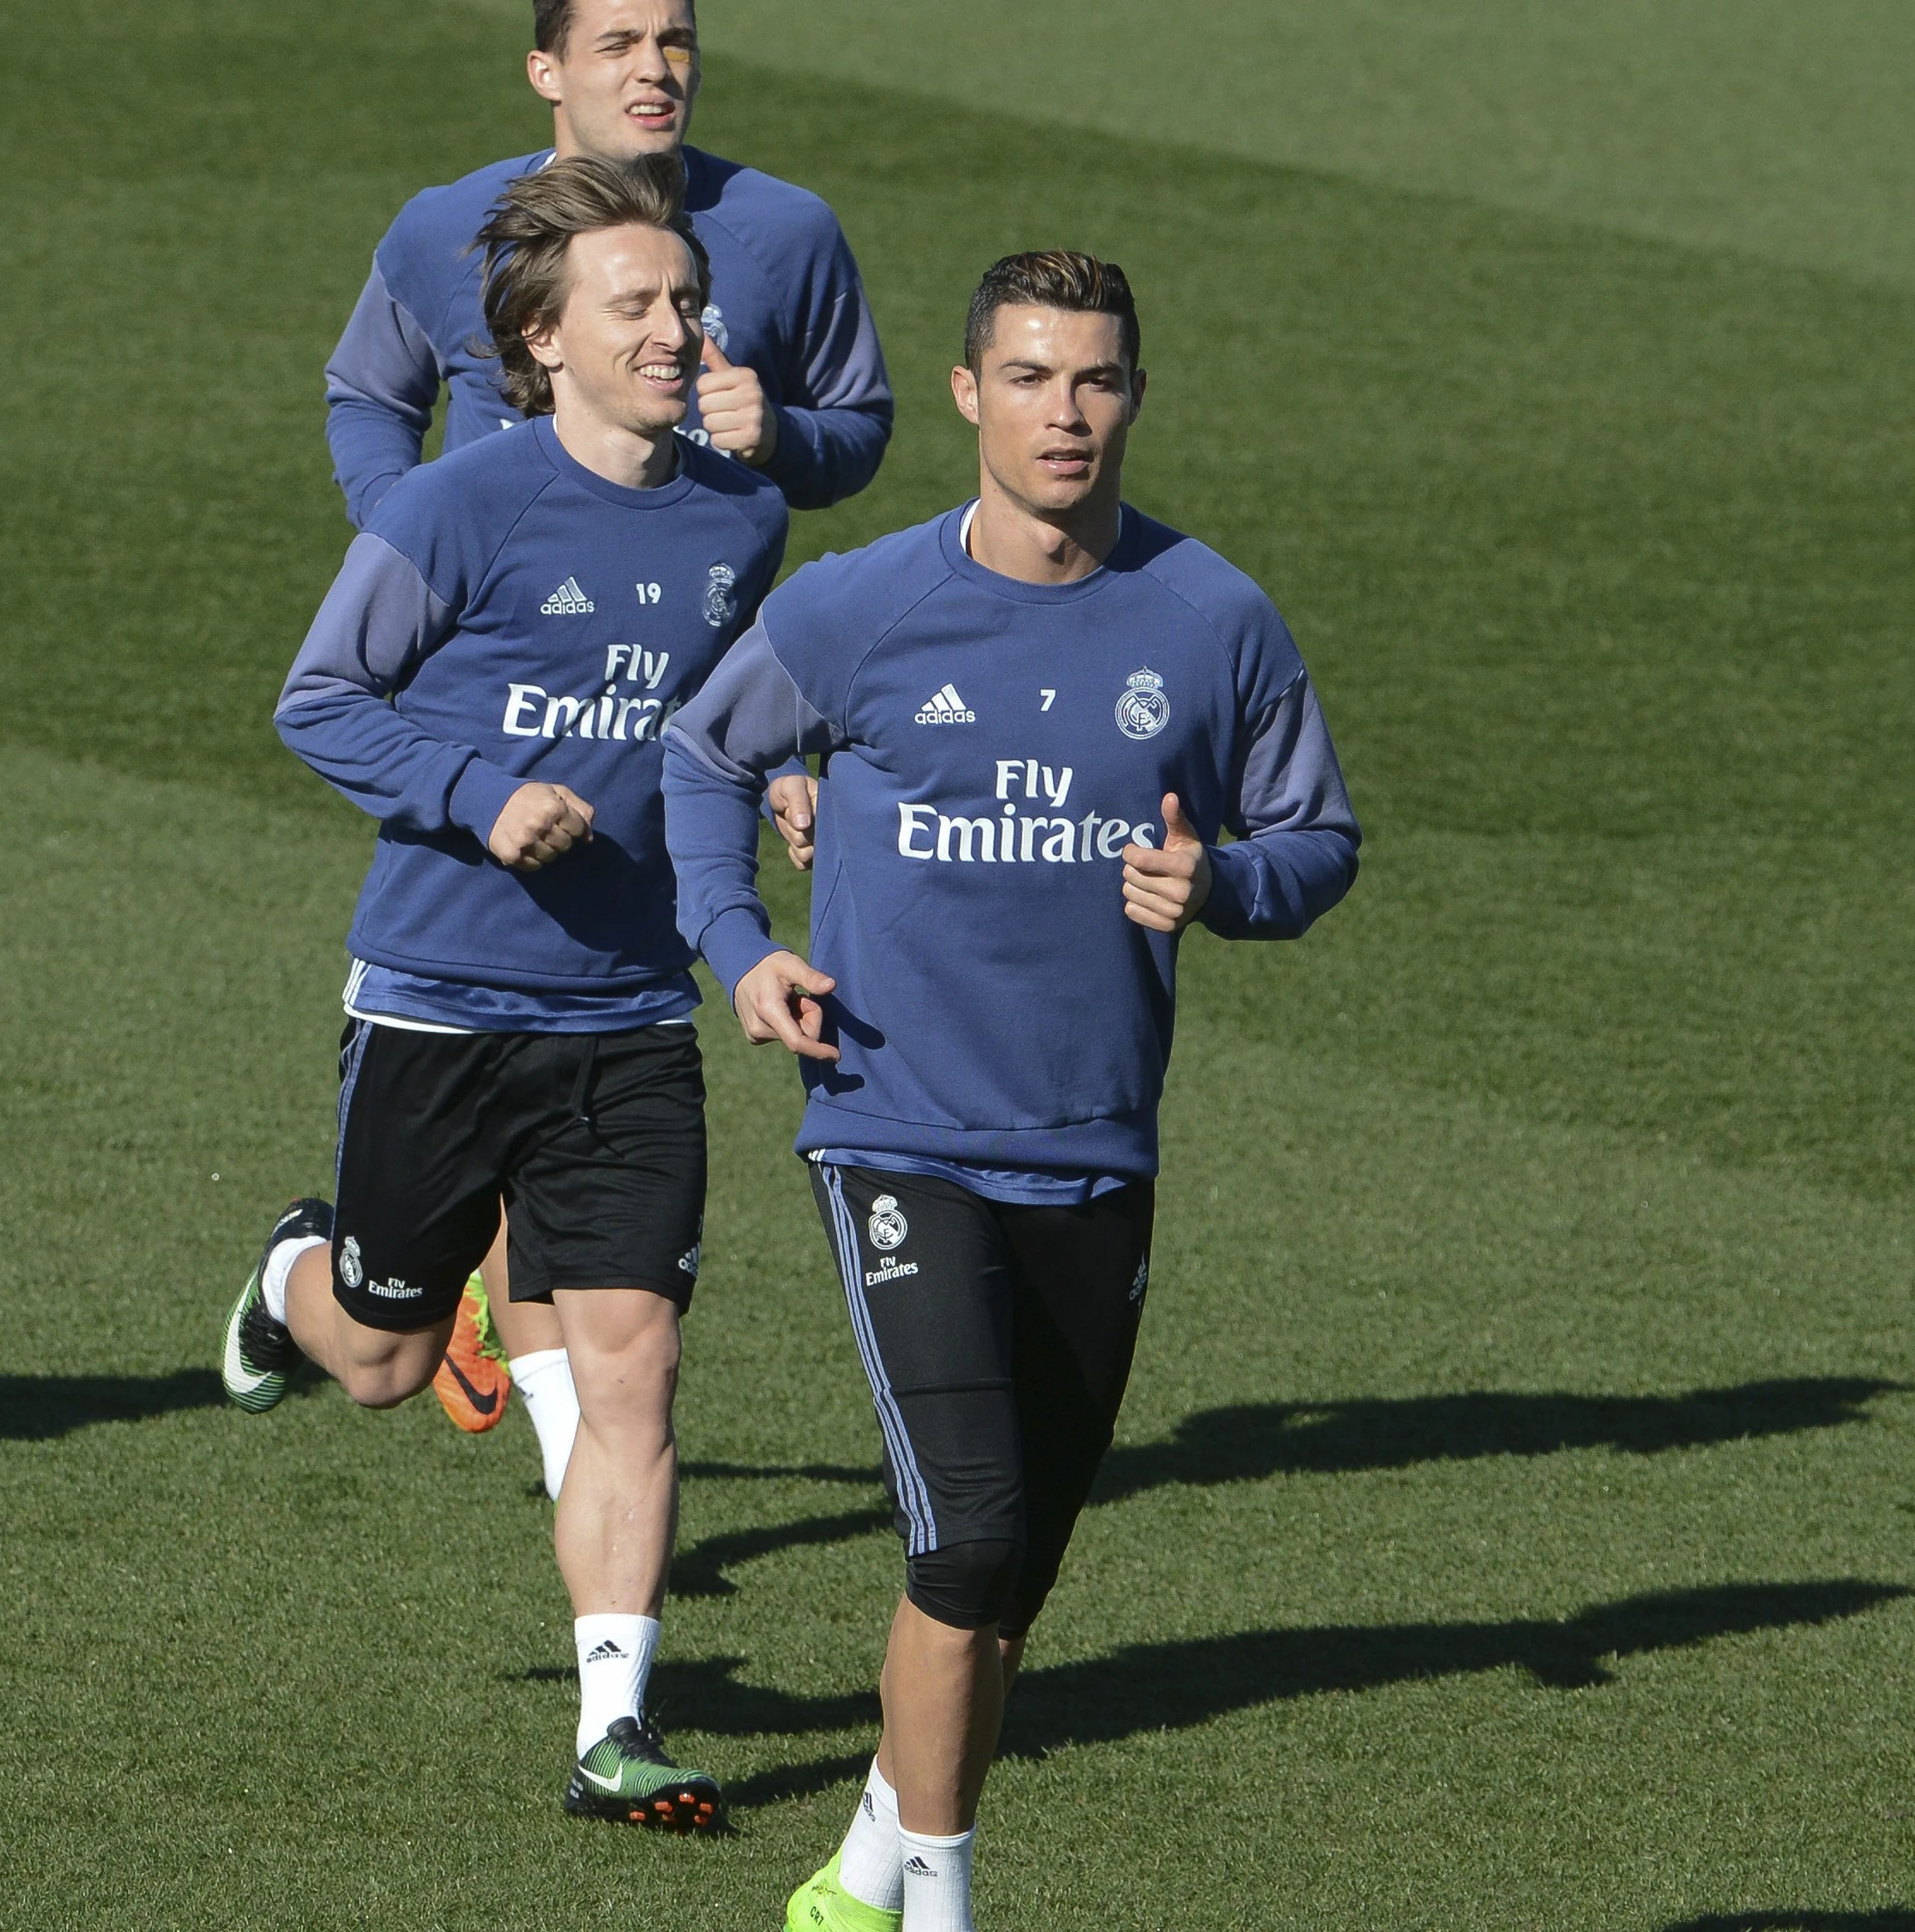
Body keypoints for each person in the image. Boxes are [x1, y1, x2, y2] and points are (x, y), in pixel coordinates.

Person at [659, 252, 1358, 1928]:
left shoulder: (1213, 618)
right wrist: (741, 948)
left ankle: (867, 1858)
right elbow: (703, 752)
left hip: (1098, 1144)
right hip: (895, 1124)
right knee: (968, 1540)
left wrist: (1227, 890)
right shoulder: (859, 605)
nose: (1068, 411)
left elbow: (1317, 837)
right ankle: (944, 1902)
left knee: (1009, 1576)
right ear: (971, 394)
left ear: (1134, 395)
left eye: (1098, 379)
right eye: (1033, 377)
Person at [223, 152, 791, 1828]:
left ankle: (613, 1724)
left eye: (686, 298)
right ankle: (288, 1280)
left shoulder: (742, 516)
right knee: (389, 1354)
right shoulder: (452, 508)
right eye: (640, 305)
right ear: (544, 340)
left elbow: (723, 718)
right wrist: (478, 793)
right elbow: (319, 702)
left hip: (631, 1014)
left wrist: (784, 776)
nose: (679, 329)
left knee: (634, 1365)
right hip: (443, 1003)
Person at [322, 0, 889, 1464]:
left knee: (587, 1052)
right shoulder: (443, 226)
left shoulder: (787, 230)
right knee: (518, 1006)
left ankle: (591, 1488)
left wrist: (786, 437)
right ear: (546, 71)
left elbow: (853, 434)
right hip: (506, 694)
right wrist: (414, 552)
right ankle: (565, 1446)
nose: (653, 69)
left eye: (674, 39)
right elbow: (363, 394)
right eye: (618, 41)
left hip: (659, 676)